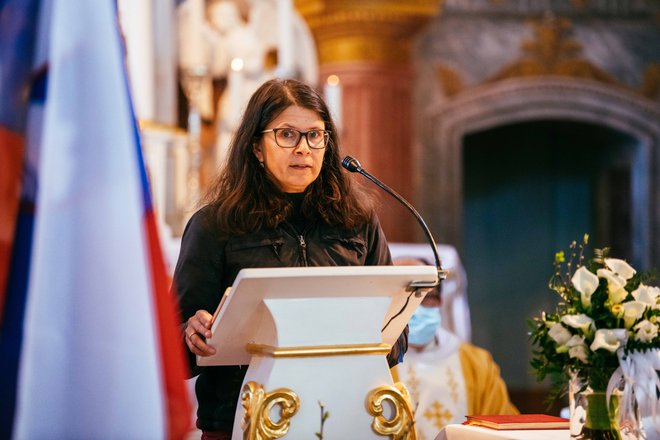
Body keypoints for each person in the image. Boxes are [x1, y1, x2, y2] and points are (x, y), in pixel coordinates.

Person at [172, 78, 405, 439]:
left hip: (343, 417)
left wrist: (388, 328)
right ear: (256, 148)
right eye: (286, 134)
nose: (304, 149)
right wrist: (192, 333)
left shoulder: (357, 221)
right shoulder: (215, 226)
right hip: (243, 422)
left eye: (315, 135)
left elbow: (395, 334)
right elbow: (173, 350)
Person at [392, 256, 518, 439]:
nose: (415, 307)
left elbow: (503, 428)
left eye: (426, 297)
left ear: (440, 302)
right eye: (404, 297)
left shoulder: (477, 364)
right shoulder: (374, 363)